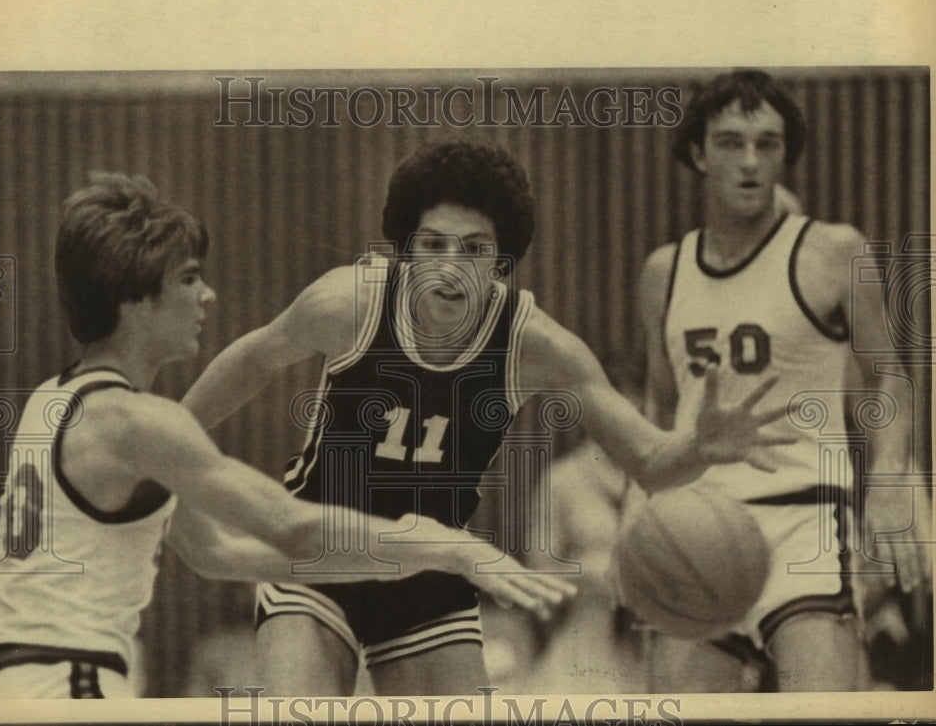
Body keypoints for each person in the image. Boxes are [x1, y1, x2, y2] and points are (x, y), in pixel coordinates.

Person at [182, 141, 795, 695]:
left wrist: (698, 448)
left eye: (475, 250)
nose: (452, 266)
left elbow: (649, 462)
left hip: (431, 565)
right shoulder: (350, 302)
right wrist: (163, 439)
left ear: (501, 263)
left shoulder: (535, 345)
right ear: (404, 252)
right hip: (321, 553)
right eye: (434, 245)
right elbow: (252, 362)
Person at [0, 173, 574, 700]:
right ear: (136, 300)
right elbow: (290, 524)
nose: (206, 295)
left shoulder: (55, 400)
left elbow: (219, 554)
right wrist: (450, 547)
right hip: (71, 684)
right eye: (186, 280)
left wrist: (391, 564)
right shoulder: (139, 422)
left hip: (14, 678)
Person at [638, 69, 930, 692]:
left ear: (785, 157)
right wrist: (640, 520)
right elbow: (660, 413)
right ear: (697, 153)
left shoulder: (832, 251)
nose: (750, 161)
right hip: (700, 527)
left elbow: (891, 377)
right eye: (730, 142)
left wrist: (888, 480)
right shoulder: (664, 272)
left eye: (767, 144)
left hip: (805, 525)